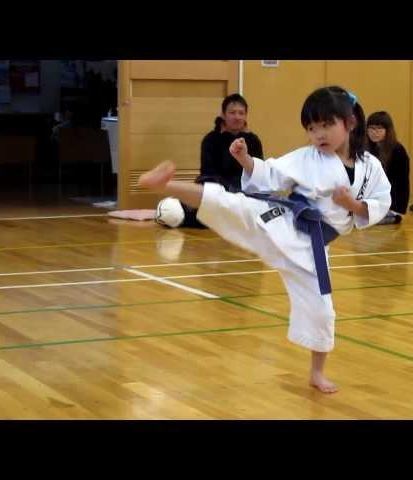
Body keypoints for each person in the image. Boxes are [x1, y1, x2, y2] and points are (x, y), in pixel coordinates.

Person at [138, 86, 391, 393]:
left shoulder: (371, 168)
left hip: (311, 250)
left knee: (322, 311)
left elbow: (381, 202)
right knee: (230, 202)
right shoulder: (307, 158)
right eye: (311, 129)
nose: (318, 135)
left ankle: (316, 373)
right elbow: (270, 174)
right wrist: (245, 159)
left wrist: (351, 206)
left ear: (350, 122)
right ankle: (166, 185)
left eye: (326, 125)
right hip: (280, 223)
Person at [159, 93, 264, 229]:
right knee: (187, 210)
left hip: (242, 193)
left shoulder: (253, 140)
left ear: (246, 116)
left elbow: (258, 174)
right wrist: (223, 192)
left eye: (241, 113)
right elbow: (208, 172)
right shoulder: (211, 139)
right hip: (218, 189)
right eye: (232, 112)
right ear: (223, 115)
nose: (237, 117)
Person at [366, 111, 410, 224]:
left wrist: (394, 208)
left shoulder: (398, 151)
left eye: (379, 128)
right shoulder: (366, 149)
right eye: (371, 128)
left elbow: (400, 184)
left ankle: (390, 216)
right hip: (372, 200)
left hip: (391, 203)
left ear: (388, 130)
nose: (374, 132)